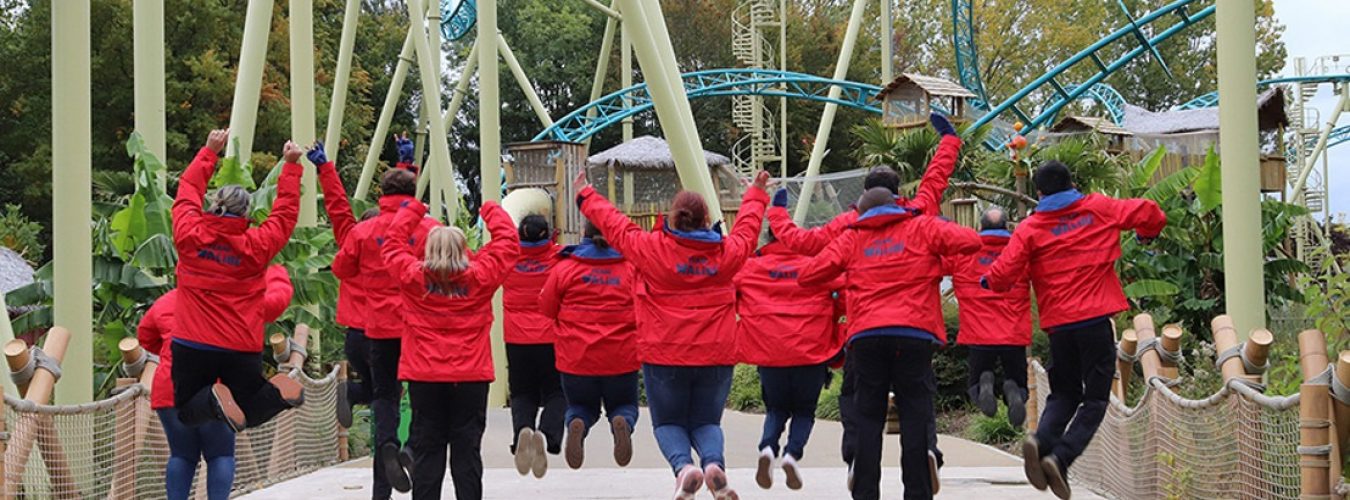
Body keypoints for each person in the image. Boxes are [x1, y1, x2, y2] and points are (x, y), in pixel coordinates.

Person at [768, 113, 961, 489]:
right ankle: (927, 451)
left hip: (865, 324)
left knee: (858, 397)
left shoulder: (850, 225)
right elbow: (936, 180)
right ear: (896, 191)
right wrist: (948, 141)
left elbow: (803, 245)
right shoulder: (918, 213)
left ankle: (857, 455)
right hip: (916, 323)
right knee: (918, 397)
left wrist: (776, 210)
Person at [575, 169, 771, 500]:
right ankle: (713, 466)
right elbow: (748, 230)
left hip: (664, 354)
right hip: (715, 355)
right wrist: (756, 193)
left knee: (667, 424)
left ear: (672, 216)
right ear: (707, 218)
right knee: (708, 424)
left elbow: (615, 226)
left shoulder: (652, 250)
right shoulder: (726, 254)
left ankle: (684, 469)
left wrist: (585, 194)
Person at [981, 160, 1166, 500]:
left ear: (1038, 193)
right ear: (1071, 183)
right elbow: (1149, 211)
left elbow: (1003, 273)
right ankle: (1061, 458)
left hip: (1060, 326)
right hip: (1095, 321)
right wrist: (1146, 234)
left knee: (1064, 392)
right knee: (1094, 399)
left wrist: (987, 280)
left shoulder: (1031, 227)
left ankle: (1040, 440)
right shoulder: (1097, 208)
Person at [799, 187, 981, 500]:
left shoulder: (852, 237)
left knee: (868, 417)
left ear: (862, 212)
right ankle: (917, 493)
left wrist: (854, 278)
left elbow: (808, 276)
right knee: (915, 415)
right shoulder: (922, 227)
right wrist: (932, 264)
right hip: (914, 333)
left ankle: (866, 492)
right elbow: (971, 241)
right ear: (895, 204)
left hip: (867, 336)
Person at [380, 198, 519, 500]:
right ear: (463, 249)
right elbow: (509, 244)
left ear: (428, 250)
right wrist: (491, 209)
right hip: (470, 376)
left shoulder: (412, 277)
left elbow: (391, 244)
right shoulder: (481, 276)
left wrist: (414, 210)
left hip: (424, 375)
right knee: (467, 453)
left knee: (427, 453)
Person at [169, 128, 304, 433]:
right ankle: (276, 392)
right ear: (247, 212)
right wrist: (291, 166)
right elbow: (284, 217)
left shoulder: (189, 235)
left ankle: (213, 399)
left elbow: (187, 191)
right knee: (247, 411)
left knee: (187, 409)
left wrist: (209, 151)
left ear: (215, 203)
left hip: (193, 341)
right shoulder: (257, 245)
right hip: (241, 345)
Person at [332, 140, 435, 495]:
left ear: (382, 193)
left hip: (376, 326)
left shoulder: (362, 231)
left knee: (385, 398)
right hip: (416, 326)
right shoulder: (428, 230)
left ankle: (387, 454)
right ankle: (408, 448)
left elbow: (340, 267)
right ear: (413, 188)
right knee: (424, 397)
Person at [139, 265, 293, 500]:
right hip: (216, 388)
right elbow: (272, 303)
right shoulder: (231, 301)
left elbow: (146, 337)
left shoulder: (167, 301)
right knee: (220, 455)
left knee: (181, 455)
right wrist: (273, 270)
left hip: (170, 387)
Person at [734, 226, 844, 491]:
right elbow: (844, 294)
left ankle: (767, 450)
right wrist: (835, 324)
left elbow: (729, 290)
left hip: (770, 352)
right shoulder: (816, 265)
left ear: (768, 238)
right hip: (811, 351)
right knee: (804, 411)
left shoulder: (751, 267)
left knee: (776, 409)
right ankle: (792, 455)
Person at [539, 220, 640, 471]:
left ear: (584, 233)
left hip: (576, 358)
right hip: (621, 356)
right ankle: (622, 421)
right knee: (625, 404)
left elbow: (547, 307)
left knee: (579, 406)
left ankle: (578, 425)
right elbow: (644, 308)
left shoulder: (566, 268)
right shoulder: (630, 268)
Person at [945, 207, 1032, 427]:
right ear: (1006, 227)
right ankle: (1014, 389)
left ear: (980, 227)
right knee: (1020, 383)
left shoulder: (963, 252)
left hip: (978, 333)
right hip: (1013, 333)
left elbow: (936, 264)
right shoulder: (1020, 250)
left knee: (975, 386)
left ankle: (984, 382)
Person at [502, 213, 565, 478]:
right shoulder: (559, 257)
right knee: (557, 392)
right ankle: (548, 435)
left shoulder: (507, 258)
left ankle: (522, 433)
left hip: (516, 338)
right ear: (548, 234)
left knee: (522, 393)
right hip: (551, 336)